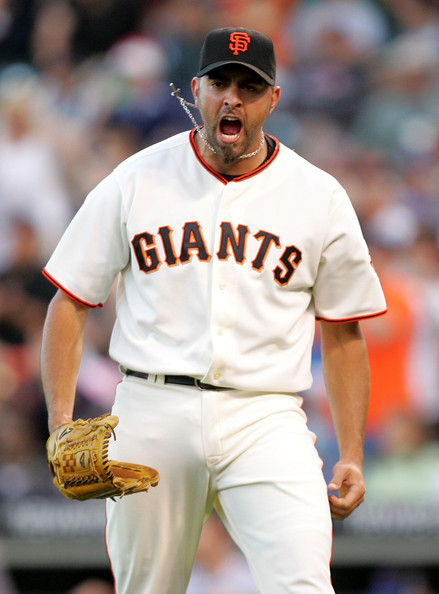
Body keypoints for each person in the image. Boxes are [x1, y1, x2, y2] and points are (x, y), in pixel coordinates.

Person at [40, 27, 387, 594]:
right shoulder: (134, 178)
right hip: (152, 406)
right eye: (220, 82)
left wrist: (351, 452)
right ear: (196, 90)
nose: (233, 98)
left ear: (272, 100)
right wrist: (59, 423)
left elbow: (344, 329)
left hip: (266, 414)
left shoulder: (318, 195)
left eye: (249, 87)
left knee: (303, 583)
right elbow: (70, 300)